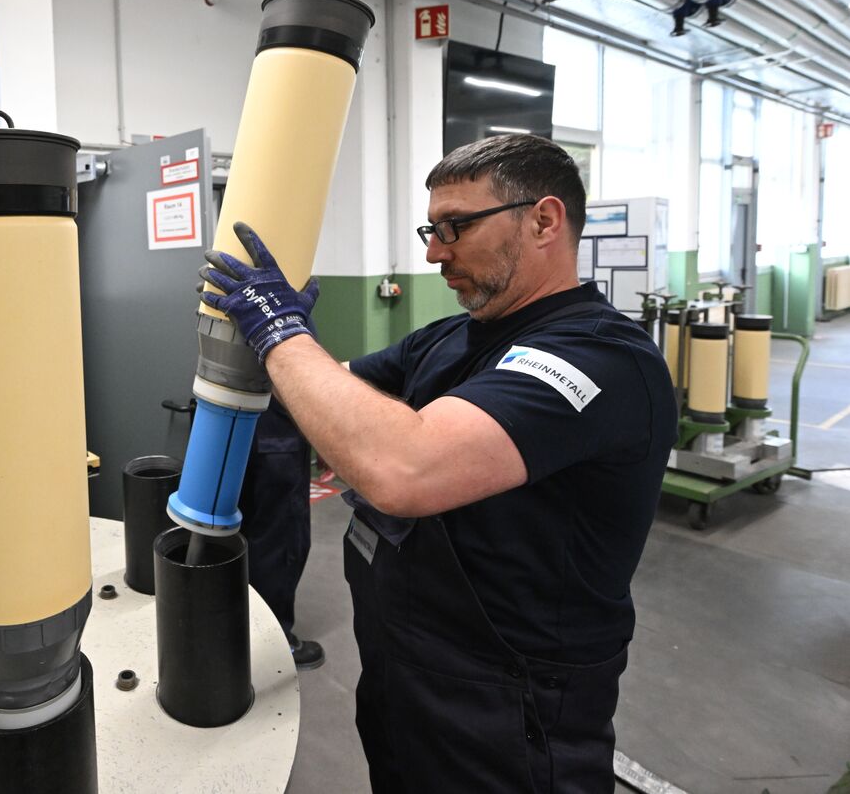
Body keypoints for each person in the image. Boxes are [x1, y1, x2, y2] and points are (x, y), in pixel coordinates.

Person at [198, 134, 676, 793]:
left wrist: (281, 332)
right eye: (431, 227)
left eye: (455, 227)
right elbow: (333, 392)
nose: (432, 251)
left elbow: (404, 467)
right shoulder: (452, 335)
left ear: (544, 220)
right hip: (406, 674)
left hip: (511, 710)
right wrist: (276, 355)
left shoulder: (599, 359)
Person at [237, 397, 322, 670]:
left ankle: (241, 633)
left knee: (243, 528)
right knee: (282, 537)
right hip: (277, 425)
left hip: (239, 417)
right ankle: (276, 641)